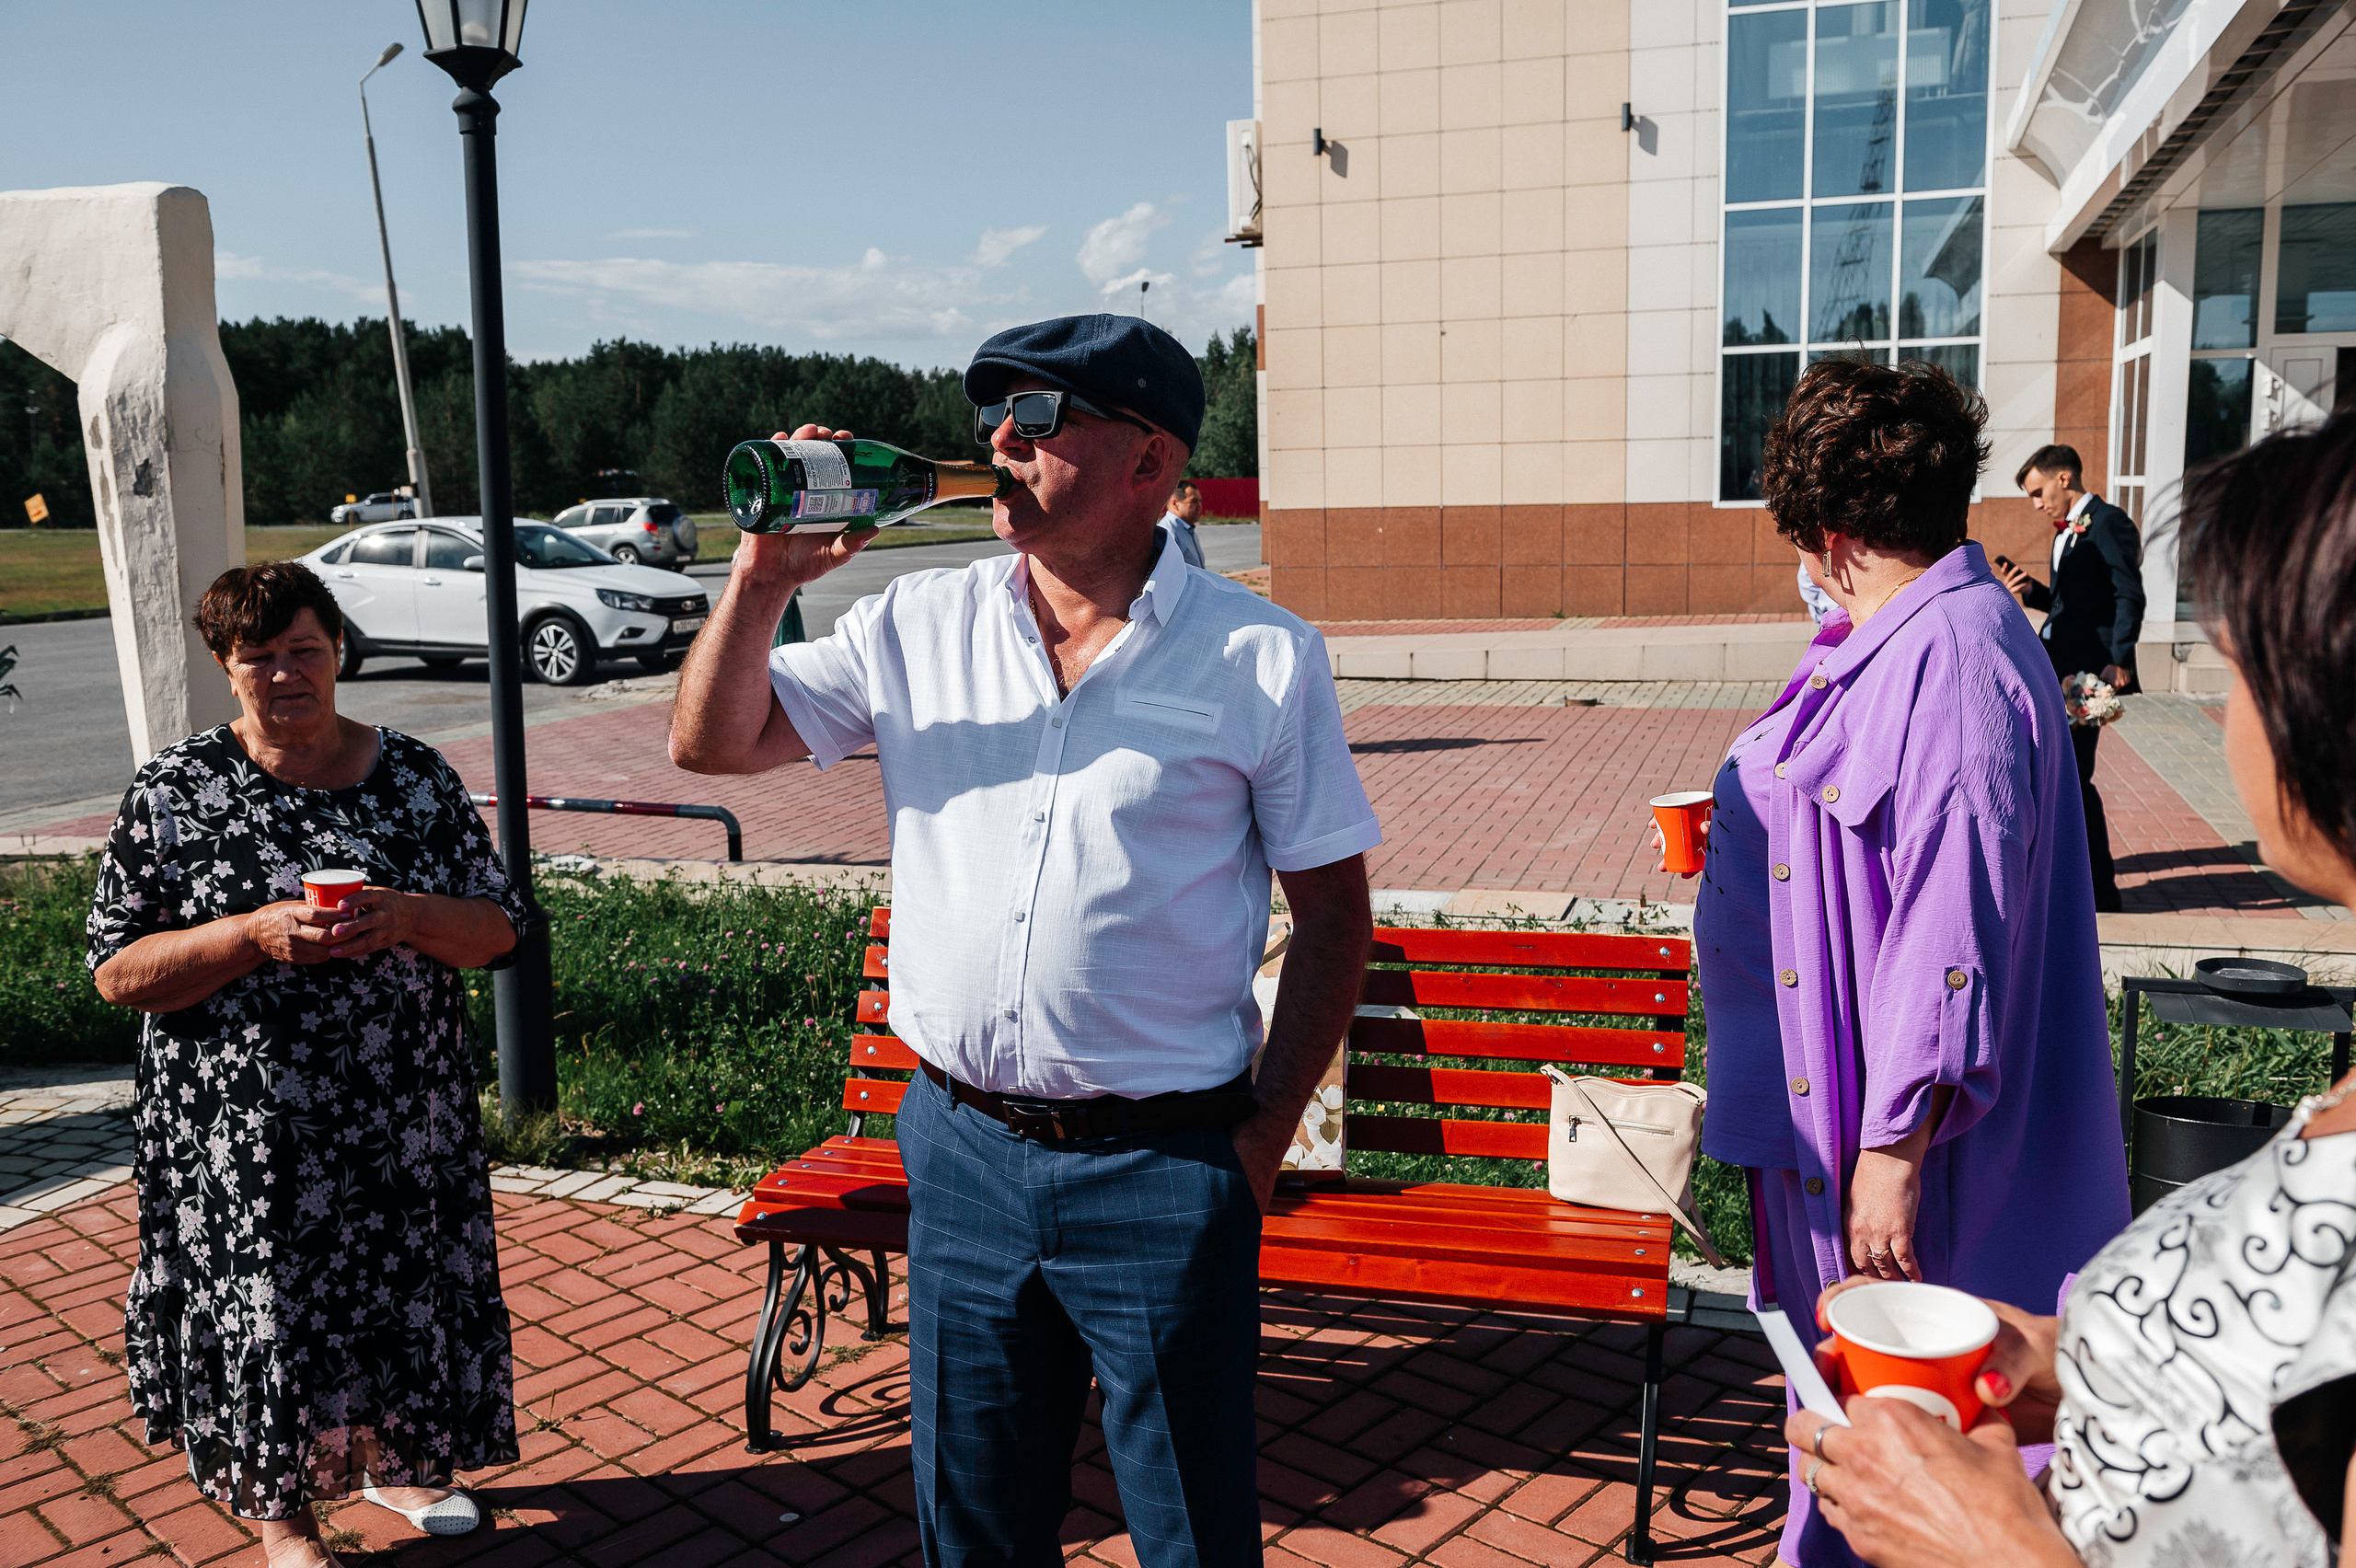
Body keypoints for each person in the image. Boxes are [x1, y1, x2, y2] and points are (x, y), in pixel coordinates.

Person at [669, 312, 1380, 1568]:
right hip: (962, 1153)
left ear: (1150, 463)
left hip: (1165, 1162)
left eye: (1041, 417)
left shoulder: (1261, 658)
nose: (1000, 439)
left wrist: (1255, 1147)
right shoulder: (917, 623)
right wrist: (763, 578)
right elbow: (715, 745)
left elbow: (1334, 915)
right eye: (991, 415)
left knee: (1191, 1530)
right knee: (974, 1523)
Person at [1784, 412, 2356, 1568]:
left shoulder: (1951, 660)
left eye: (2240, 662)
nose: (2226, 710)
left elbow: (1948, 915)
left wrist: (1991, 1544)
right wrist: (2060, 1359)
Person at [1671, 360, 2130, 1567]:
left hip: (1917, 1163)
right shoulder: (1905, 637)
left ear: (1830, 533)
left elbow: (1951, 917)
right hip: (1849, 1144)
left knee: (1922, 1443)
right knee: (1857, 1435)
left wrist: (1893, 1148)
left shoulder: (1955, 658)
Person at [87, 562, 526, 1565]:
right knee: (272, 1313)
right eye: (258, 659)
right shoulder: (174, 790)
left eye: (305, 651)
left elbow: (501, 930)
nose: (285, 674)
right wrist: (249, 934)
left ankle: (404, 1467)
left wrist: (410, 916)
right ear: (223, 667)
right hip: (245, 1137)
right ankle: (284, 1520)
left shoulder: (412, 774)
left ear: (338, 653)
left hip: (399, 1118)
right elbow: (117, 972)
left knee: (400, 1290)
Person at [1992, 444, 2146, 911]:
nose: (2037, 505)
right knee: (2062, 775)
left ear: (2064, 478)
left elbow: (2128, 594)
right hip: (2059, 666)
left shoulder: (2109, 522)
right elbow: (2073, 603)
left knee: (2077, 778)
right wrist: (2033, 590)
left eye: (2038, 493)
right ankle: (2076, 886)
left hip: (2091, 674)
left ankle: (2102, 894)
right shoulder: (2068, 533)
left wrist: (2119, 658)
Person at [1160, 477, 1207, 569]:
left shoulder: (1187, 528)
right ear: (1175, 503)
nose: (1199, 506)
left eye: (1200, 501)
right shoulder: (1168, 532)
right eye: (1193, 501)